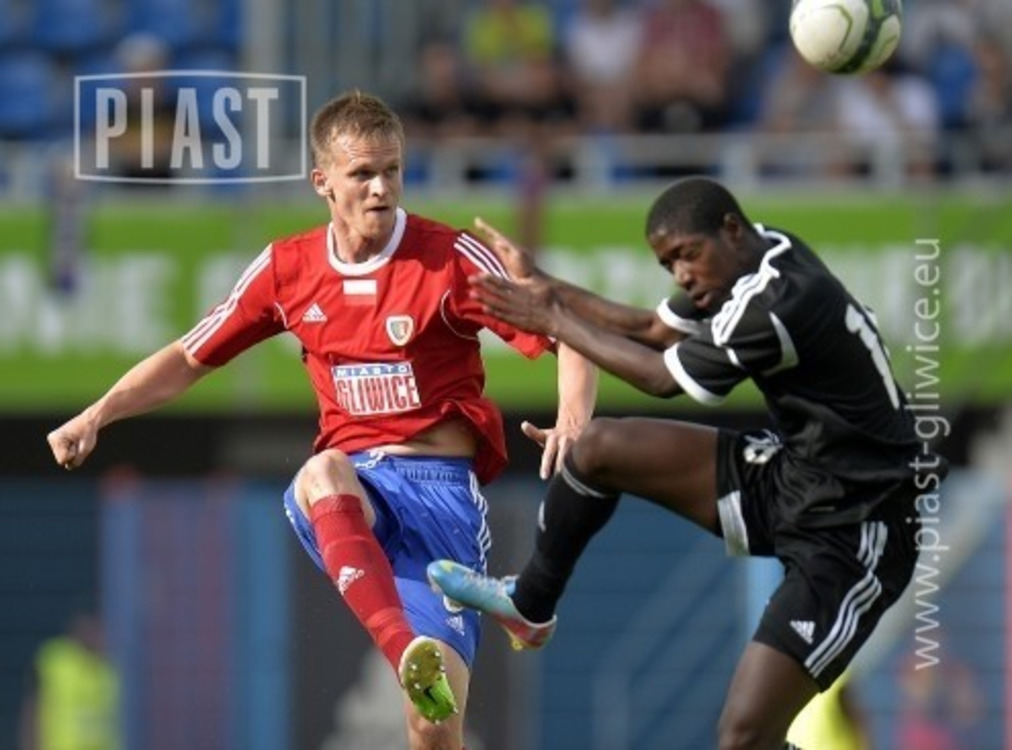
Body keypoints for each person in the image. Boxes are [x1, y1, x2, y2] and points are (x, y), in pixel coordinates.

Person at [46, 90, 596, 750]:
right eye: (362, 173)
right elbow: (190, 356)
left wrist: (572, 419)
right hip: (357, 494)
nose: (381, 188)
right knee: (320, 472)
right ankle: (405, 645)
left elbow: (569, 331)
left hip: (441, 499)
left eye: (392, 170)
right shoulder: (288, 268)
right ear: (322, 182)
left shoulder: (449, 258)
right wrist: (97, 414)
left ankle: (434, 648)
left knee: (433, 727)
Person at [428, 176, 946, 749]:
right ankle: (529, 605)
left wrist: (551, 318)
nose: (681, 274)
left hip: (858, 528)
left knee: (744, 737)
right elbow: (652, 328)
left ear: (731, 230)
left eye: (687, 254)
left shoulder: (777, 304)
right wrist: (546, 287)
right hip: (795, 477)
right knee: (598, 447)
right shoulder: (766, 250)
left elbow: (660, 376)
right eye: (668, 263)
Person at [19, 609, 120, 750]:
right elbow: (31, 711)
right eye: (97, 628)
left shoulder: (113, 667)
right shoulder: (54, 659)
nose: (102, 635)